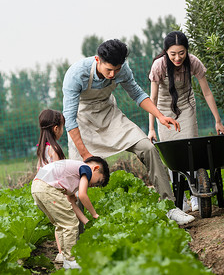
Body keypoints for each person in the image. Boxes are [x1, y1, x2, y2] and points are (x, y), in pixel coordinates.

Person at [62, 39, 195, 225]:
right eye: (108, 69)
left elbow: (137, 94)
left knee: (148, 148)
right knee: (78, 175)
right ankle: (79, 231)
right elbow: (69, 118)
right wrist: (85, 155)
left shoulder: (121, 70)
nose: (112, 74)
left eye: (116, 70)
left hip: (109, 115)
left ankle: (170, 207)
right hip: (82, 122)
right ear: (97, 60)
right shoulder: (76, 74)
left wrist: (160, 116)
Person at [148, 31, 224, 212]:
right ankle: (179, 199)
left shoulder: (193, 62)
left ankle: (197, 196)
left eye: (181, 53)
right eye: (173, 53)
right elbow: (152, 99)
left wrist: (218, 120)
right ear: (166, 51)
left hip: (186, 108)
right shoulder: (158, 66)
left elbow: (206, 92)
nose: (177, 57)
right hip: (164, 111)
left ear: (187, 51)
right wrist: (152, 128)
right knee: (172, 156)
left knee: (192, 151)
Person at [31, 156, 110, 270]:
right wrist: (94, 214)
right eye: (98, 182)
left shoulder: (70, 177)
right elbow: (82, 195)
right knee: (70, 224)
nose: (94, 186)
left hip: (37, 187)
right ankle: (71, 260)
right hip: (47, 188)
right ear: (95, 168)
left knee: (61, 223)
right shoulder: (86, 169)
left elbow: (72, 204)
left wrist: (86, 222)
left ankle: (63, 256)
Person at [36, 109, 66, 262]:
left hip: (38, 190)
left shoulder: (42, 149)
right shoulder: (54, 150)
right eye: (62, 127)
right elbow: (60, 175)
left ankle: (61, 253)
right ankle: (66, 254)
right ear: (56, 128)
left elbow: (38, 171)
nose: (62, 131)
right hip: (51, 191)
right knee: (68, 221)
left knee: (58, 222)